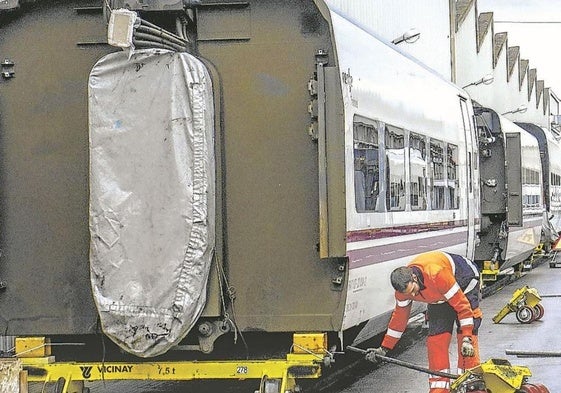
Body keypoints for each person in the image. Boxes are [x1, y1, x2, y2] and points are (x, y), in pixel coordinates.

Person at [366, 250, 482, 393]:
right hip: (438, 296)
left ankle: (472, 387)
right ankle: (439, 389)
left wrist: (467, 337)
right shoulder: (403, 292)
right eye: (409, 294)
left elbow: (463, 308)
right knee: (436, 341)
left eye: (413, 290)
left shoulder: (437, 274)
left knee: (466, 345)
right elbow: (399, 321)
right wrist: (384, 348)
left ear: (414, 277)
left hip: (464, 282)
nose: (413, 295)